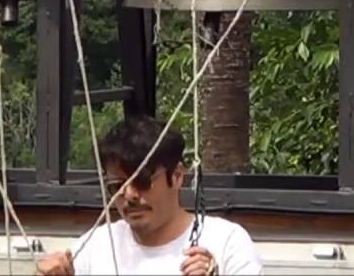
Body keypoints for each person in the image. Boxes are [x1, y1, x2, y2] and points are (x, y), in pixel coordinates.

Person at [36, 115, 263, 275]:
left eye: (142, 181)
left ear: (176, 175)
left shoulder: (225, 242)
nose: (130, 195)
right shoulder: (98, 246)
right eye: (117, 185)